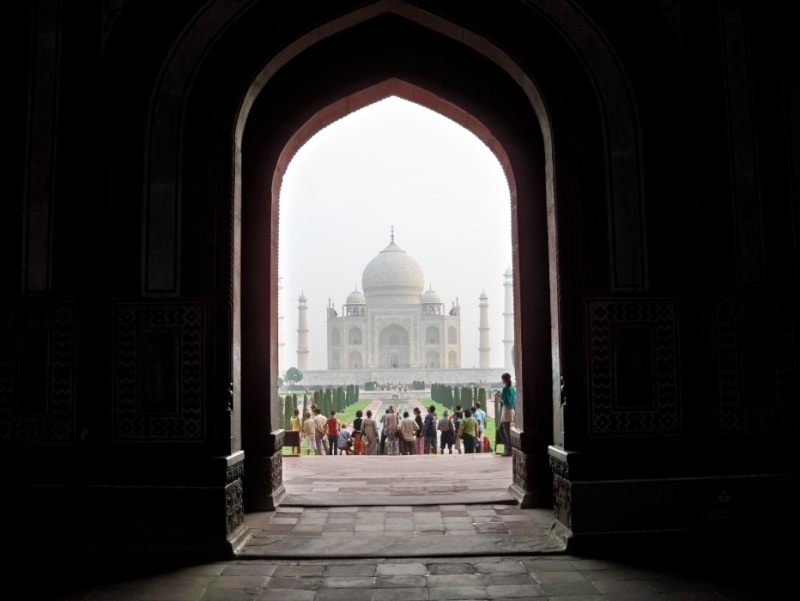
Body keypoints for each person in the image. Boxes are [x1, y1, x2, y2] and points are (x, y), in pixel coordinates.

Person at [498, 372, 516, 456]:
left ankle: (509, 449)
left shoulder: (505, 389)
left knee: (506, 431)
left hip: (506, 411)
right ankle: (507, 447)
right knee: (501, 430)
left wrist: (497, 397)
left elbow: (503, 400)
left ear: (504, 380)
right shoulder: (512, 388)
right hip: (511, 410)